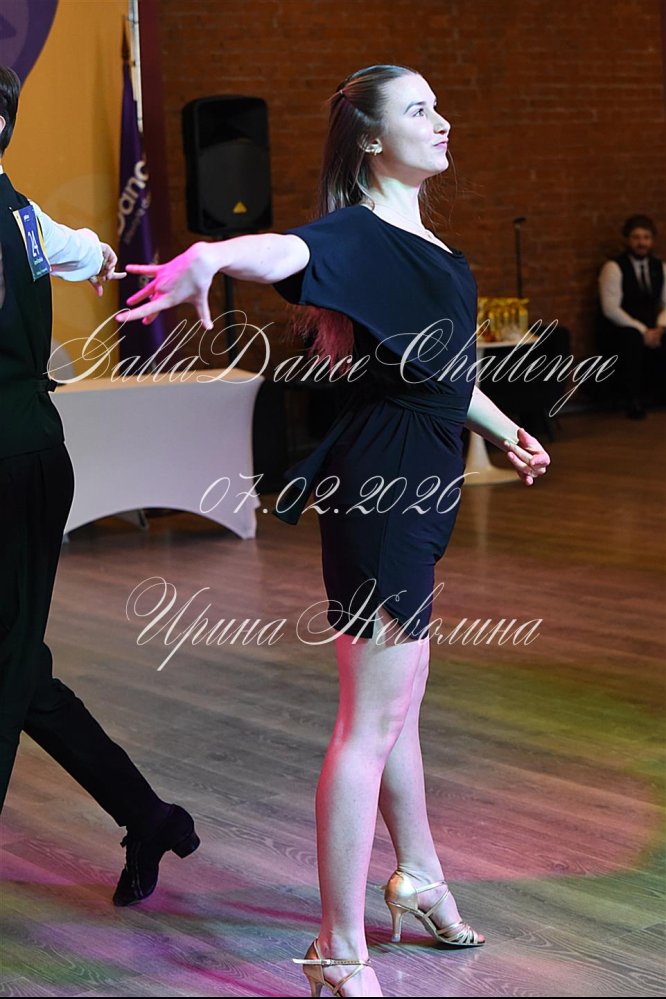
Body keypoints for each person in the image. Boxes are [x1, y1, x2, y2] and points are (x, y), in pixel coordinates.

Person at [120, 64, 551, 997]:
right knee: (369, 724)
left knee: (400, 708)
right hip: (385, 494)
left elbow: (439, 370)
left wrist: (502, 424)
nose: (443, 120)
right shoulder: (356, 232)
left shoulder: (418, 240)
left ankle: (420, 876)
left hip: (417, 488)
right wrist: (213, 256)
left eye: (440, 105)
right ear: (372, 138)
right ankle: (337, 949)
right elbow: (285, 251)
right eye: (421, 110)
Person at [0, 66, 199, 907]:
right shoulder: (20, 211)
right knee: (20, 672)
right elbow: (86, 247)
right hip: (26, 457)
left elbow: (81, 248)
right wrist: (100, 253)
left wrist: (93, 253)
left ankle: (149, 816)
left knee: (9, 669)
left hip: (17, 465)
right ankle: (148, 816)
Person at [598, 214, 666, 419]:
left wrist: (659, 328)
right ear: (627, 240)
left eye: (646, 237)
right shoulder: (614, 268)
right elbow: (611, 309)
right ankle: (632, 399)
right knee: (632, 339)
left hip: (652, 326)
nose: (641, 243)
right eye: (636, 237)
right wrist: (643, 331)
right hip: (621, 327)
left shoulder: (660, 267)